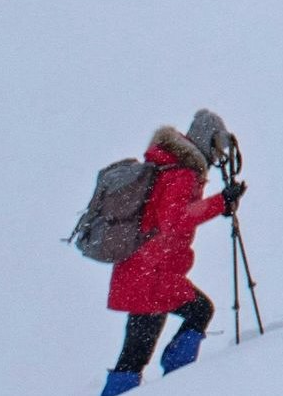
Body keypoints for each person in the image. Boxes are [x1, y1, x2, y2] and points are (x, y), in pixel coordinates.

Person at [100, 112, 241, 392]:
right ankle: (178, 382)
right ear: (207, 140)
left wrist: (218, 205)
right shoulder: (183, 173)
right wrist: (220, 203)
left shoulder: (170, 166)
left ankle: (167, 382)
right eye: (217, 145)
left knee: (135, 354)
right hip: (153, 276)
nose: (219, 155)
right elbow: (173, 219)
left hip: (144, 271)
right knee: (197, 313)